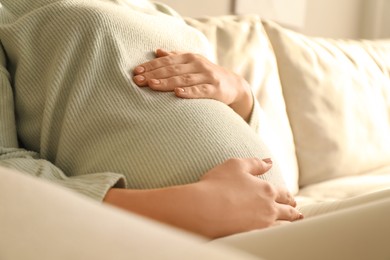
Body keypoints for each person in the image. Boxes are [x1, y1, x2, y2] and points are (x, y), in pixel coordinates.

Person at [0, 0, 301, 238]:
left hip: (281, 215)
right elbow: (5, 162)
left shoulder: (162, 11)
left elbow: (253, 144)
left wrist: (240, 93)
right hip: (173, 237)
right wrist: (184, 209)